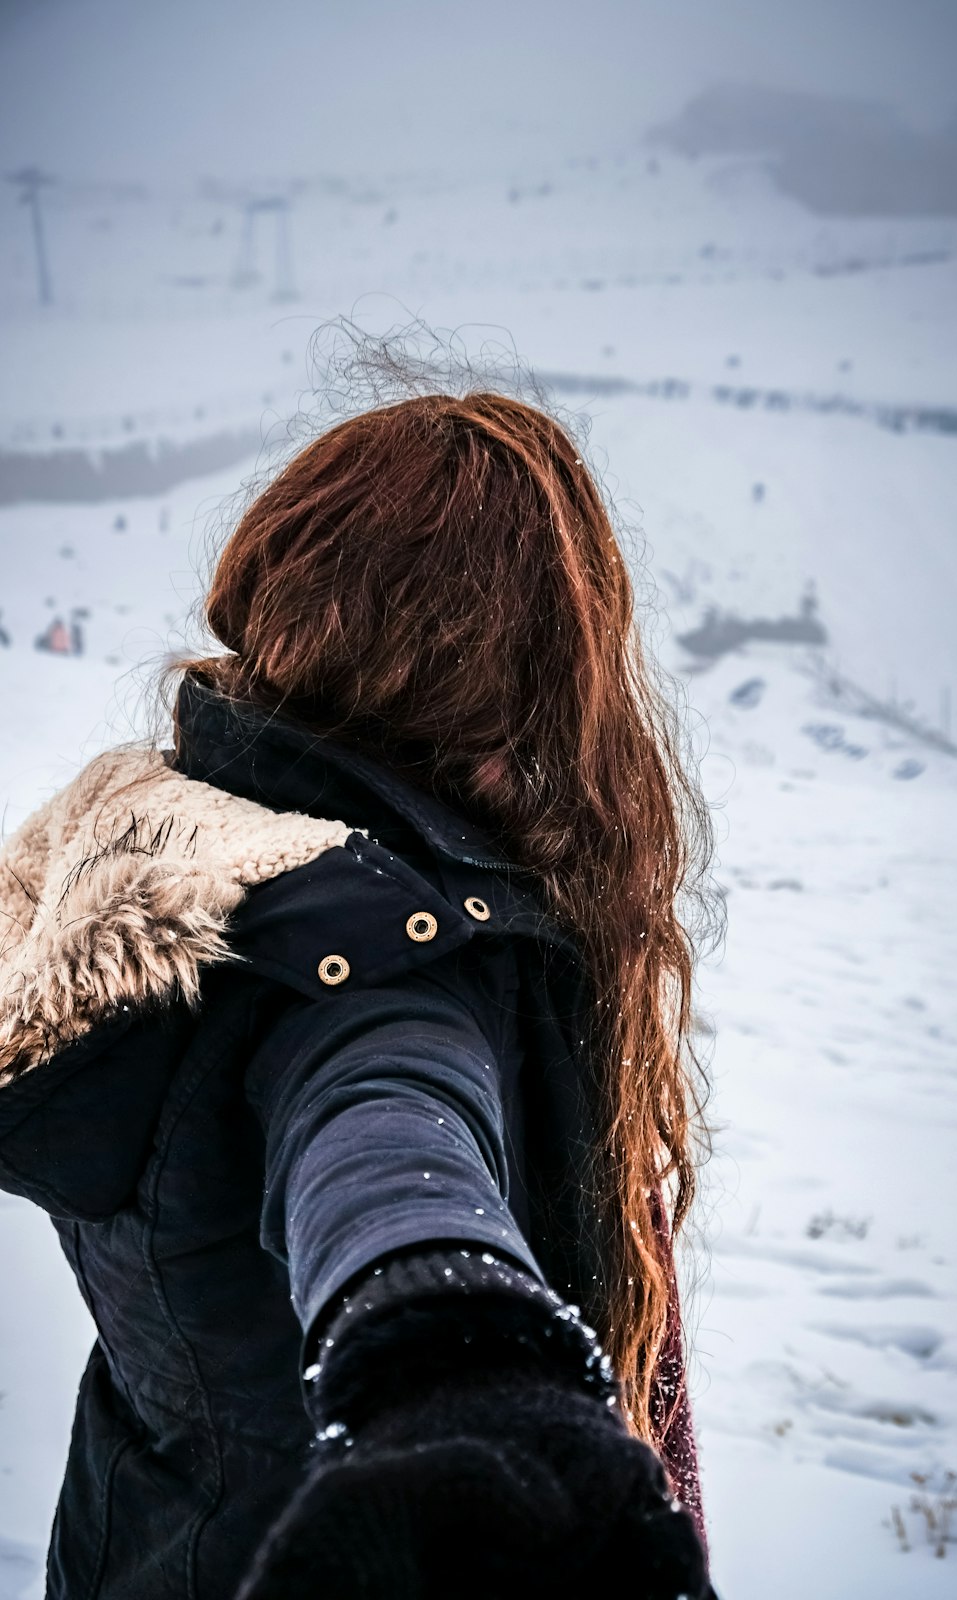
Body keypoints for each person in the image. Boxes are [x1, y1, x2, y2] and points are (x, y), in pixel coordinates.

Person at [0, 391, 716, 1599]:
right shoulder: (371, 948)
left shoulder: (182, 867)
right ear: (498, 674)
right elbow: (382, 1131)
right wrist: (459, 1378)